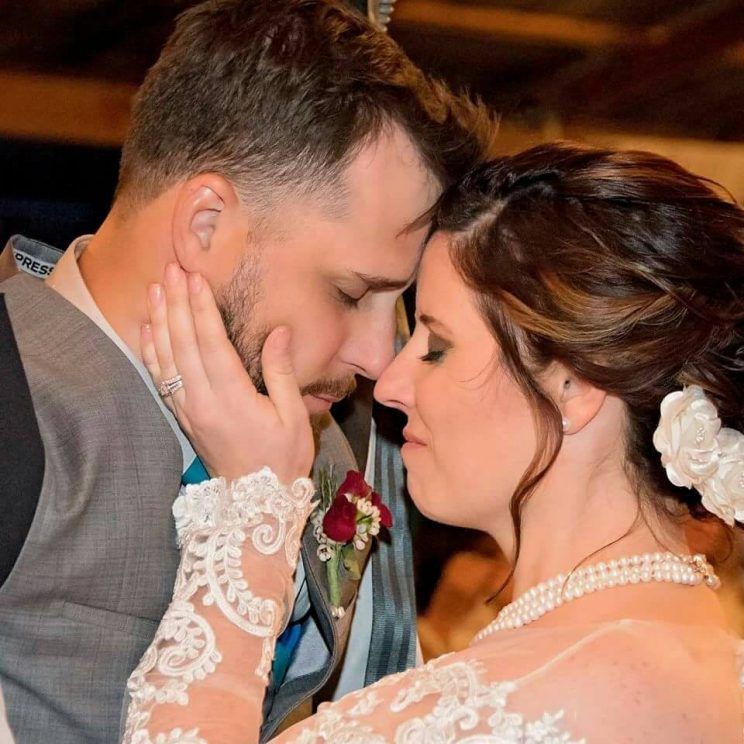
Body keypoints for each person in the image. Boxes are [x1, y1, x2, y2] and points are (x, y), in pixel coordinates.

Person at [127, 143, 743, 742]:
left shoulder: (504, 703)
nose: (389, 384)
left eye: (438, 346)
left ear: (571, 388)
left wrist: (248, 512)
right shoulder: (714, 669)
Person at [0, 1, 495, 741]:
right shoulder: (18, 392)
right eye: (352, 293)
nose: (378, 359)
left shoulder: (333, 432)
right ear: (206, 227)